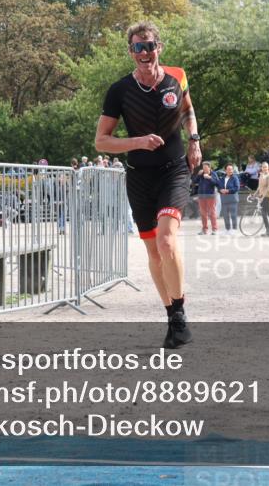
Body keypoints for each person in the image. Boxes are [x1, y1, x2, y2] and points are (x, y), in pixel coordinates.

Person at [95, 21, 200, 349]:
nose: (145, 52)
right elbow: (101, 142)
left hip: (174, 170)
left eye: (150, 46)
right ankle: (171, 315)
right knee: (154, 251)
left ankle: (180, 312)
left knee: (167, 240)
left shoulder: (177, 77)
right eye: (138, 47)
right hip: (140, 176)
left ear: (159, 47)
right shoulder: (119, 91)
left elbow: (188, 110)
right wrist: (138, 142)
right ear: (130, 52)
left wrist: (194, 140)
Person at [194, 162, 221, 235]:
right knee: (203, 213)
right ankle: (204, 229)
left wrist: (210, 178)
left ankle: (214, 229)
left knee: (212, 213)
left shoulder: (213, 174)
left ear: (209, 168)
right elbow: (194, 181)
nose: (204, 169)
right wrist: (198, 175)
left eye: (206, 168)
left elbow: (217, 183)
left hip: (210, 196)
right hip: (201, 195)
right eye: (203, 168)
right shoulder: (201, 174)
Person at [254, 161, 269, 236]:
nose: (264, 168)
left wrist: (263, 196)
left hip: (268, 197)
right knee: (263, 214)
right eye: (263, 167)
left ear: (268, 167)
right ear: (261, 168)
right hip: (262, 197)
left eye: (266, 167)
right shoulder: (261, 175)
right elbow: (259, 187)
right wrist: (254, 194)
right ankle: (267, 230)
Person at [219, 164, 241, 235]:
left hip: (232, 199)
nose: (230, 171)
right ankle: (227, 229)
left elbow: (237, 188)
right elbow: (219, 187)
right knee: (225, 215)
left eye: (231, 169)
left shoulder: (235, 178)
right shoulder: (222, 178)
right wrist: (220, 190)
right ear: (225, 170)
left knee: (233, 215)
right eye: (228, 169)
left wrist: (228, 191)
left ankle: (234, 229)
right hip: (224, 199)